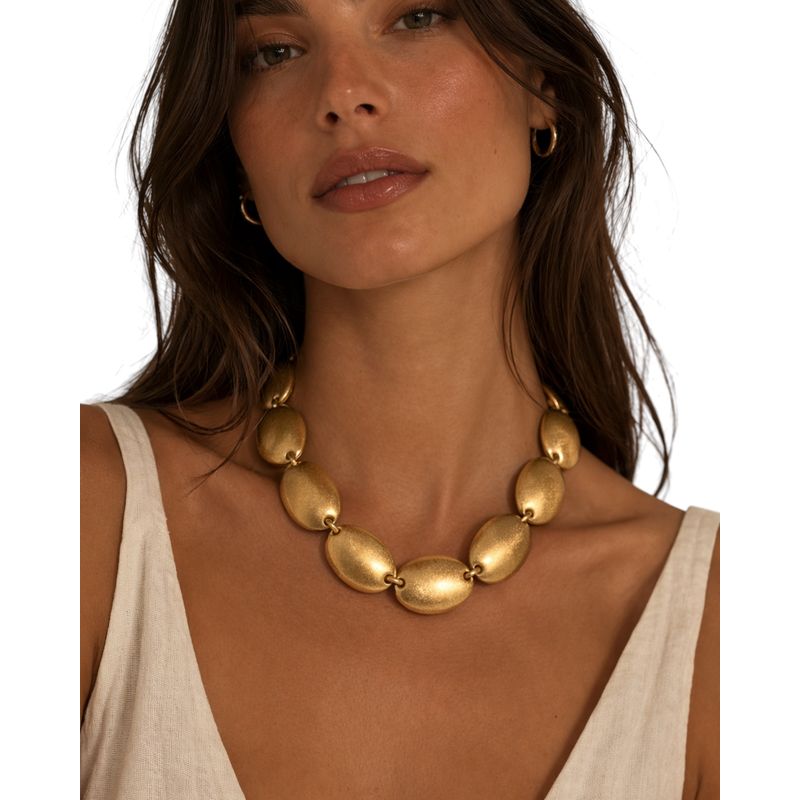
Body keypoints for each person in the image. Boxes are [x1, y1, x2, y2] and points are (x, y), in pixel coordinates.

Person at [80, 0, 720, 797]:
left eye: (417, 17)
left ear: (542, 85)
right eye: (275, 52)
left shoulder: (713, 628)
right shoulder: (87, 513)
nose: (344, 93)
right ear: (235, 152)